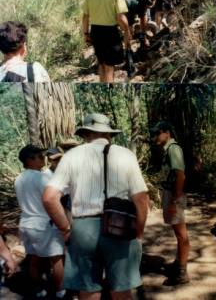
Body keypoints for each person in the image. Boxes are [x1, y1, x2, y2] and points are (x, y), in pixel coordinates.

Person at [43, 113, 149, 300]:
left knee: (88, 289)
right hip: (120, 227)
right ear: (109, 134)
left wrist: (66, 229)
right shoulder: (126, 155)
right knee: (122, 290)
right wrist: (139, 233)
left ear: (84, 134)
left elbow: (50, 198)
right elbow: (141, 199)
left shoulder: (71, 156)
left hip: (83, 230)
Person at [15, 145, 66, 299]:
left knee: (34, 259)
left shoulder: (19, 178)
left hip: (26, 223)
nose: (43, 157)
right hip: (44, 224)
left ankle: (38, 291)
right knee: (57, 260)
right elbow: (54, 198)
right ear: (30, 160)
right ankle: (61, 293)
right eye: (39, 155)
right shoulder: (42, 177)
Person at [151, 121, 190, 285]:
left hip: (175, 195)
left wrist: (175, 200)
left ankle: (182, 272)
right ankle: (178, 262)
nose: (154, 137)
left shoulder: (174, 149)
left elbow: (180, 175)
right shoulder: (169, 150)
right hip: (171, 193)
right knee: (179, 232)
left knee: (181, 234)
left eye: (157, 133)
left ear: (167, 133)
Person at [82, 0, 132, 83]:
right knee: (110, 66)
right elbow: (120, 17)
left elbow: (85, 16)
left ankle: (102, 85)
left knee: (101, 63)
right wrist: (127, 31)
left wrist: (86, 34)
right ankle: (109, 89)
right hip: (110, 32)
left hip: (95, 31)